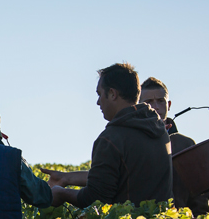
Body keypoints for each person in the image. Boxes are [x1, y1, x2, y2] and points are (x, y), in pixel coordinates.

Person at [43, 63, 173, 209]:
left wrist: (61, 193)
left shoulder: (110, 139)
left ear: (112, 94)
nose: (98, 102)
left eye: (99, 94)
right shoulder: (160, 131)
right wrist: (65, 178)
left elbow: (95, 198)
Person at [140, 77, 209, 216]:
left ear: (169, 104)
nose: (155, 106)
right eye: (148, 102)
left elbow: (200, 197)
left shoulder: (185, 145)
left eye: (161, 101)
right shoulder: (131, 142)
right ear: (139, 105)